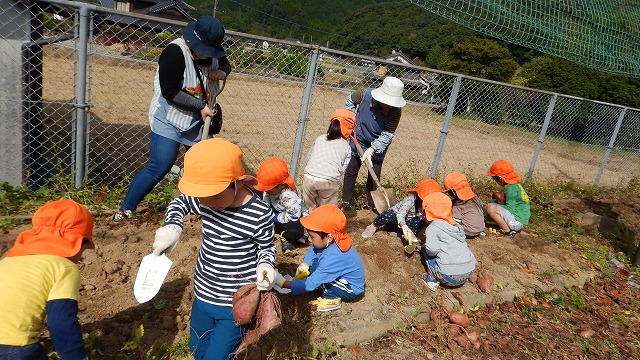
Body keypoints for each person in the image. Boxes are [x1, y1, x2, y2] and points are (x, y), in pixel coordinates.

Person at [150, 138, 277, 360]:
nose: (210, 204)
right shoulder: (206, 198)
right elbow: (179, 204)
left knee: (218, 355)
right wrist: (172, 226)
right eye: (203, 198)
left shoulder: (258, 214)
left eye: (216, 196)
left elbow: (266, 247)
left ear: (237, 182)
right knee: (198, 347)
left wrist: (266, 265)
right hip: (203, 292)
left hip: (235, 303)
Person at [114, 15, 232, 221]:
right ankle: (126, 209)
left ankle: (204, 210)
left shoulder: (213, 53)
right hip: (170, 118)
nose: (209, 55)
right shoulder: (174, 52)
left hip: (197, 122)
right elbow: (170, 91)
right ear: (194, 42)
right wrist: (201, 105)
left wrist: (222, 71)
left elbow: (226, 64)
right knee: (160, 166)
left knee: (205, 166)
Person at [0, 199, 95, 360]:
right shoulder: (64, 267)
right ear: (79, 243)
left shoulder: (7, 261)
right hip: (15, 350)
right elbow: (61, 323)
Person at [273, 204, 365, 312]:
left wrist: (284, 284)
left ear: (329, 237)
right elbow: (314, 249)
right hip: (340, 277)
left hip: (350, 288)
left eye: (312, 236)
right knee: (315, 265)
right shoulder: (331, 241)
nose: (309, 240)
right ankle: (325, 286)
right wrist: (305, 264)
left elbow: (311, 283)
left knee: (322, 283)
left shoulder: (334, 257)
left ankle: (331, 300)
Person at [340, 76, 406, 211]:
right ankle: (346, 201)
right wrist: (351, 120)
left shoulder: (396, 112)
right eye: (386, 103)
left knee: (374, 172)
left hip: (379, 142)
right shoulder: (364, 94)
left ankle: (369, 204)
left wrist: (372, 149)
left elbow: (387, 134)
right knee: (351, 170)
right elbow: (350, 102)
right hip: (359, 136)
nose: (388, 107)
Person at [420, 192, 476, 292]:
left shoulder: (433, 228)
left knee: (426, 249)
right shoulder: (457, 226)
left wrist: (425, 247)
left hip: (448, 277)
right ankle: (464, 274)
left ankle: (431, 280)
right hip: (469, 271)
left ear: (426, 212)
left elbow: (432, 249)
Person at [303, 109, 354, 210]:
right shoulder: (346, 147)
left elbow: (308, 158)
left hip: (308, 178)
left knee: (308, 210)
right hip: (328, 182)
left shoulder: (320, 138)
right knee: (327, 211)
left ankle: (308, 224)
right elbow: (343, 169)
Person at [254, 158, 309, 254]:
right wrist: (265, 211)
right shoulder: (272, 190)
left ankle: (286, 236)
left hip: (293, 216)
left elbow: (294, 215)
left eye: (268, 188)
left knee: (296, 233)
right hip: (279, 209)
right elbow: (266, 197)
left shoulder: (289, 196)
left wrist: (273, 217)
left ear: (282, 185)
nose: (266, 191)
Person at [361, 178, 441, 241]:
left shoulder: (429, 204)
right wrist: (404, 226)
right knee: (388, 214)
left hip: (409, 222)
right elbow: (400, 214)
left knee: (421, 219)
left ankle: (410, 235)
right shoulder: (410, 201)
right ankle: (373, 226)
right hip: (396, 219)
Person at [486, 160, 530, 238]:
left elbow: (510, 209)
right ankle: (506, 227)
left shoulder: (511, 189)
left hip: (517, 221)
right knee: (494, 206)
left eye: (495, 178)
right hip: (518, 219)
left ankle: (508, 232)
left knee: (491, 208)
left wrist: (496, 205)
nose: (495, 181)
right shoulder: (513, 185)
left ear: (501, 178)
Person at [443, 172, 485, 238]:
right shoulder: (476, 198)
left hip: (468, 232)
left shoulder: (458, 205)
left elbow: (454, 222)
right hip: (479, 229)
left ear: (453, 192)